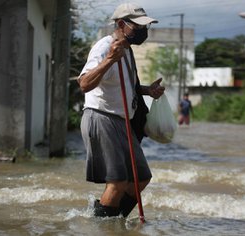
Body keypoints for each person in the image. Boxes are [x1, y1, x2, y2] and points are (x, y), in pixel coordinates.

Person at [77, 3, 165, 218]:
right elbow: (84, 84)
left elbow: (124, 86)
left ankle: (111, 221)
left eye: (146, 27)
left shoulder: (126, 51)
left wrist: (147, 90)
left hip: (123, 120)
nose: (144, 32)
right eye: (139, 27)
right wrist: (109, 59)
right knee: (117, 182)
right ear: (121, 24)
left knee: (141, 178)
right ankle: (103, 227)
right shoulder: (105, 47)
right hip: (102, 117)